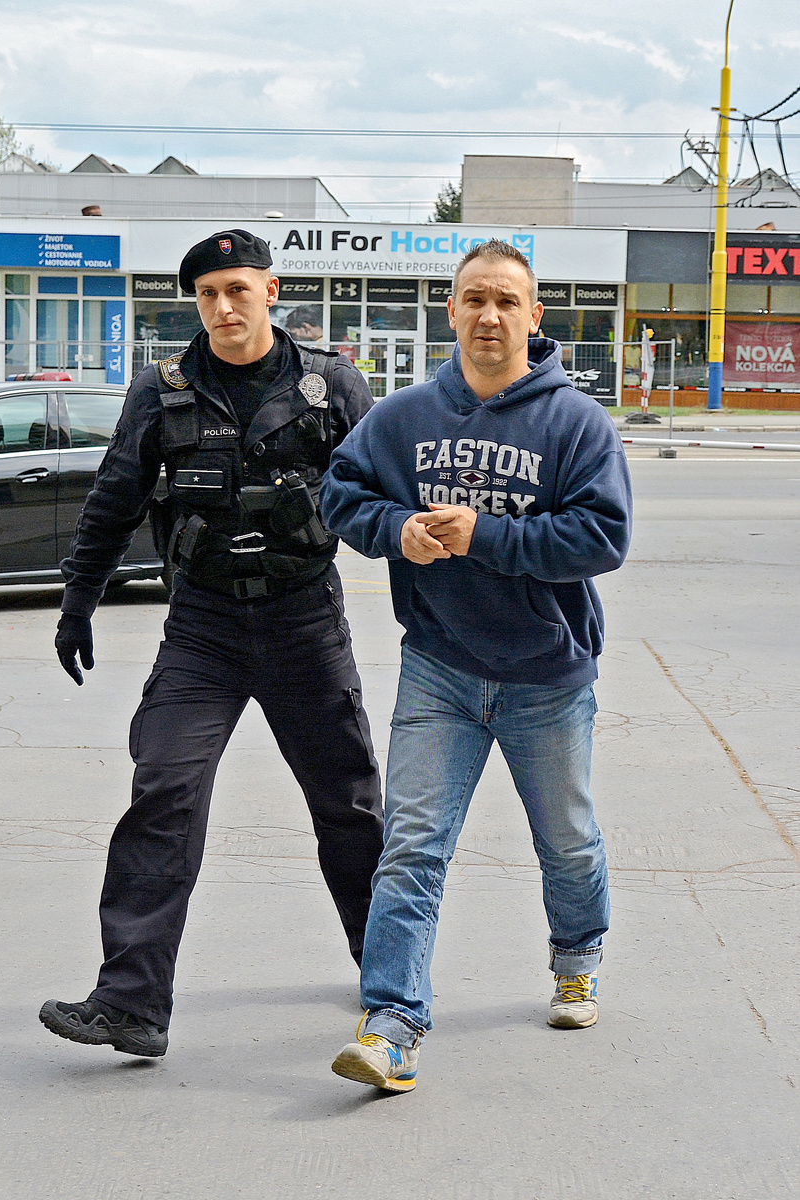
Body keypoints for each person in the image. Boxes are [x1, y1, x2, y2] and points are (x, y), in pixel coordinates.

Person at [39, 229, 383, 1058]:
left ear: (271, 291)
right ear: (194, 303)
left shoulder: (332, 384)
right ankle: (131, 1004)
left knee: (347, 804)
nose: (223, 307)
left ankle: (389, 968)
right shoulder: (160, 393)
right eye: (207, 294)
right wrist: (77, 600)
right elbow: (115, 498)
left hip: (305, 624)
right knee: (164, 790)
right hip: (203, 631)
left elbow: (385, 497)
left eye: (237, 289)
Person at [321, 239, 632, 1092]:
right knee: (412, 846)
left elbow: (603, 538)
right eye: (472, 300)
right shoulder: (403, 417)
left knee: (566, 843)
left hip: (547, 675)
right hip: (440, 669)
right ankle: (391, 1024)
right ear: (450, 312)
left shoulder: (574, 423)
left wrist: (485, 536)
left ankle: (576, 957)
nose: (488, 315)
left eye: (506, 301)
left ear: (534, 318)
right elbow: (339, 494)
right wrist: (397, 531)